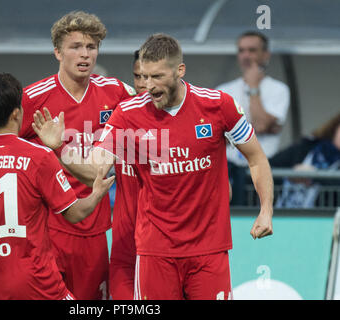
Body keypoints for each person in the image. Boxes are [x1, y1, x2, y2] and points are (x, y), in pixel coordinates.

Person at [32, 33, 274, 300]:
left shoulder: (218, 105)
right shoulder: (128, 114)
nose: (148, 86)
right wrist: (60, 149)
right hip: (155, 251)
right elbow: (95, 171)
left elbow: (256, 158)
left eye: (157, 77)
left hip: (209, 249)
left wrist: (265, 210)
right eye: (144, 77)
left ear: (180, 70)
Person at [0, 72, 114, 300]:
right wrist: (97, 193)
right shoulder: (39, 157)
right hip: (37, 283)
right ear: (16, 113)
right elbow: (75, 214)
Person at [19, 11, 135, 300]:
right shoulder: (33, 98)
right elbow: (7, 149)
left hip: (94, 230)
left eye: (91, 47)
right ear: (58, 52)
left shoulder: (117, 92)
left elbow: (148, 119)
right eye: (75, 47)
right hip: (46, 228)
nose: (85, 55)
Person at [216, 31, 289, 205]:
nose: (246, 55)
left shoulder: (278, 89)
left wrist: (253, 88)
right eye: (241, 50)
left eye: (252, 50)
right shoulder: (224, 90)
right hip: (229, 170)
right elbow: (216, 133)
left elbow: (261, 124)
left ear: (265, 55)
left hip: (262, 169)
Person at [109, 50, 146, 300]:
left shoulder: (181, 123)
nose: (143, 83)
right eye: (137, 76)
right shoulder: (121, 116)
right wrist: (59, 149)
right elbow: (94, 167)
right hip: (125, 247)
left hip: (164, 247)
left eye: (151, 76)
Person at [273, 113, 340, 208]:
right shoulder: (307, 146)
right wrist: (290, 174)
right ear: (335, 127)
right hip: (282, 211)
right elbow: (270, 165)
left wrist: (315, 176)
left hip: (318, 218)